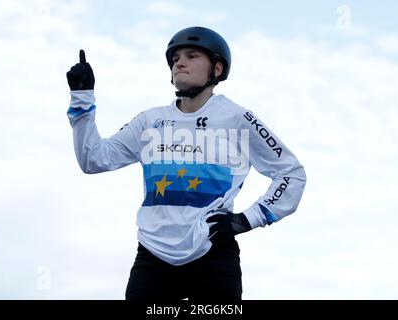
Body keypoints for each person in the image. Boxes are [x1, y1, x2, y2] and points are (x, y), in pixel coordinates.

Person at [66, 26, 306, 301]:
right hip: (152, 258)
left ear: (217, 69)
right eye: (176, 57)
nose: (179, 62)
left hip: (214, 254)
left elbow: (291, 173)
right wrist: (82, 101)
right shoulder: (149, 121)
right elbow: (93, 159)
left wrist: (248, 219)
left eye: (191, 56)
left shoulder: (238, 119)